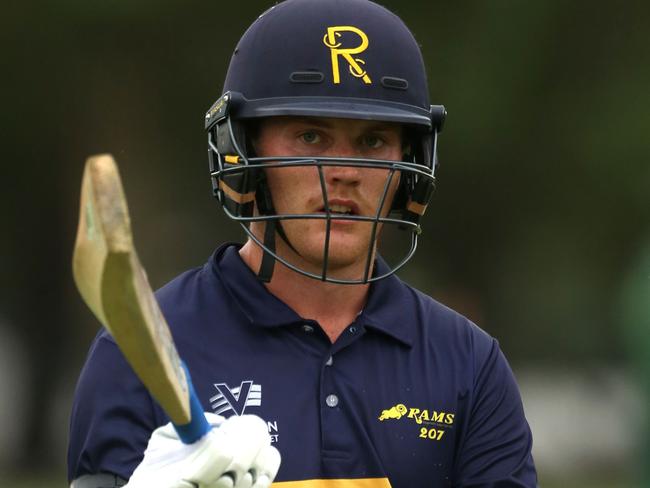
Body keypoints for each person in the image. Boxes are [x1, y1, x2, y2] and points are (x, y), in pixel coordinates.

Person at [68, 0, 538, 487]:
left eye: (373, 142)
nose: (345, 172)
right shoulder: (136, 352)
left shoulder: (468, 365)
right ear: (243, 152)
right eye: (311, 136)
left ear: (409, 163)